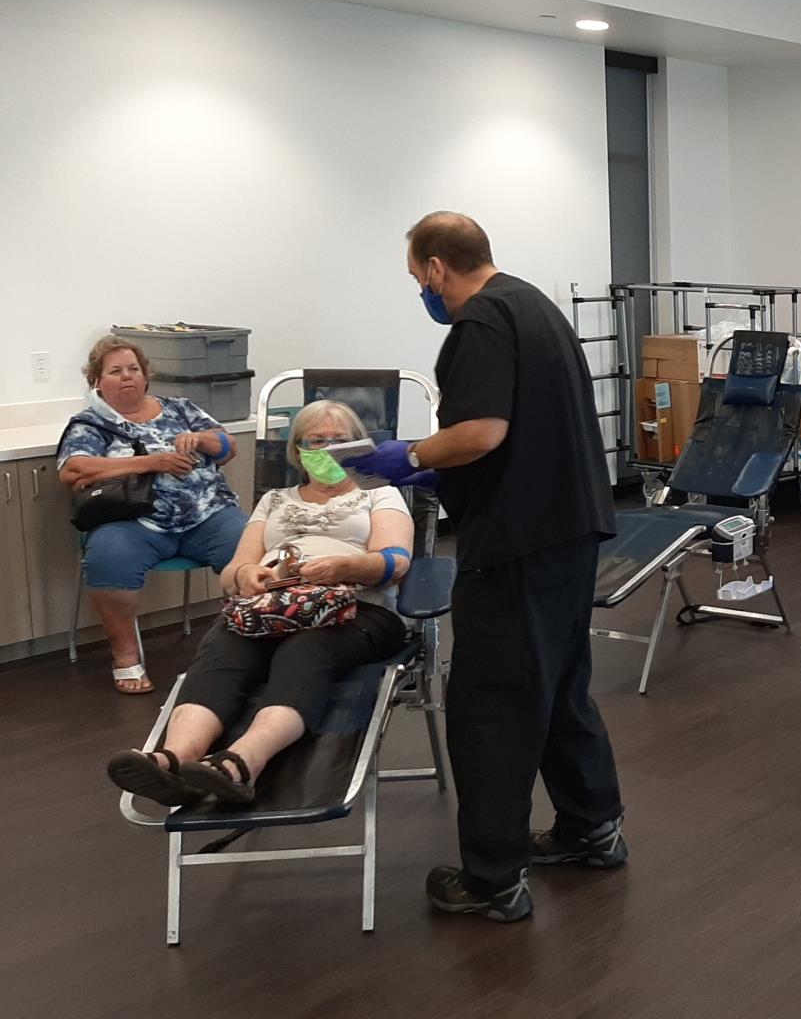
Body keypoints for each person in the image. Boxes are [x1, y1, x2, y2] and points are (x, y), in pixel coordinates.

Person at [346, 211, 622, 923]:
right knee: (560, 685)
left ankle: (493, 879)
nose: (423, 293)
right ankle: (592, 827)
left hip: (518, 545)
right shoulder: (536, 307)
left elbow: (481, 432)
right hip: (569, 530)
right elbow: (520, 434)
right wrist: (446, 474)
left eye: (418, 279)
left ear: (437, 267)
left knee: (492, 705)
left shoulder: (479, 323)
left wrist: (406, 456)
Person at [104, 400, 412, 805]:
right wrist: (248, 576)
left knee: (304, 651)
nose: (327, 450)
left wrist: (345, 565)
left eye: (340, 441)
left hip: (355, 609)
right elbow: (234, 570)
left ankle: (241, 763)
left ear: (359, 447)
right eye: (315, 441)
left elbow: (395, 562)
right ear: (297, 451)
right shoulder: (275, 500)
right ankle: (173, 761)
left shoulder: (380, 496)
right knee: (221, 651)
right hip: (267, 607)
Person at [57, 335, 248, 694]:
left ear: (146, 376)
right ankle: (126, 657)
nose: (127, 376)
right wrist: (152, 462)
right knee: (108, 555)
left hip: (206, 515)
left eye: (134, 369)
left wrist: (204, 441)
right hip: (133, 523)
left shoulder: (180, 409)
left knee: (251, 543)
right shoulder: (90, 425)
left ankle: (246, 644)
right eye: (115, 371)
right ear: (97, 380)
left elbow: (228, 446)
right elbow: (73, 471)